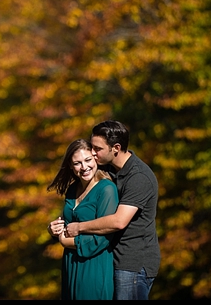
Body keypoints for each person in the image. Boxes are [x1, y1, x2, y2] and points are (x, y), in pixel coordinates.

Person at [64, 120, 160, 300]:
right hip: (113, 260)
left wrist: (79, 227)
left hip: (133, 264)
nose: (93, 153)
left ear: (115, 148)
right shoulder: (109, 169)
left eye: (97, 148)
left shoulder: (138, 177)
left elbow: (118, 221)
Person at [48, 139, 119, 300]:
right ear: (71, 166)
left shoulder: (107, 189)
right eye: (77, 163)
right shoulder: (72, 189)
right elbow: (68, 224)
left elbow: (104, 237)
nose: (84, 167)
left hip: (94, 265)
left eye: (87, 160)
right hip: (70, 264)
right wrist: (53, 230)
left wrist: (67, 242)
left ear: (95, 158)